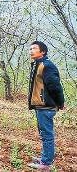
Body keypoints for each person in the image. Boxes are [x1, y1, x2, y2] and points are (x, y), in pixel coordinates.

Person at [26, 41, 65, 171]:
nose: (31, 50)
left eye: (34, 48)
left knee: (47, 134)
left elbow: (55, 86)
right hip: (40, 106)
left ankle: (46, 163)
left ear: (43, 52)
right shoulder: (37, 64)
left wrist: (60, 103)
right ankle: (45, 157)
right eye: (30, 48)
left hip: (46, 106)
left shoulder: (47, 66)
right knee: (44, 134)